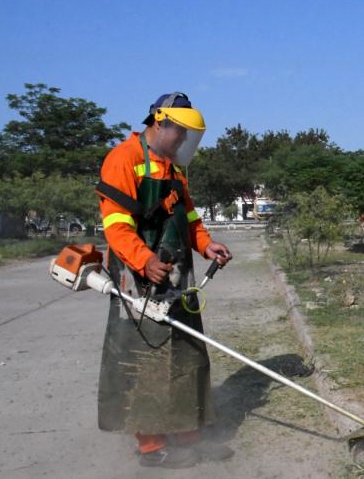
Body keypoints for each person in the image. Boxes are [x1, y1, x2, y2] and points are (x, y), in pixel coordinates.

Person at [95, 92, 233, 468]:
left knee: (187, 350)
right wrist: (144, 261)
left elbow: (189, 219)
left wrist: (206, 245)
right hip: (137, 277)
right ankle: (153, 448)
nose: (185, 142)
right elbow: (117, 226)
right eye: (181, 133)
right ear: (159, 122)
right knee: (146, 358)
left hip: (177, 273)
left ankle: (189, 434)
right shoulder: (123, 159)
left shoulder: (173, 169)